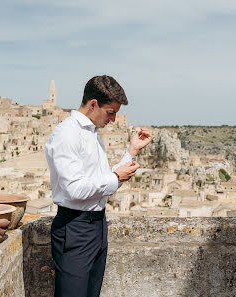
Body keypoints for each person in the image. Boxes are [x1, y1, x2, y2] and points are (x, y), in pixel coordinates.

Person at [45, 75, 152, 297]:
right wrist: (115, 176)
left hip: (96, 227)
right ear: (93, 104)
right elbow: (74, 189)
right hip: (75, 227)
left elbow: (102, 183)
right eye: (110, 112)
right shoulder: (67, 134)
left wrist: (131, 151)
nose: (113, 119)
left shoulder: (93, 135)